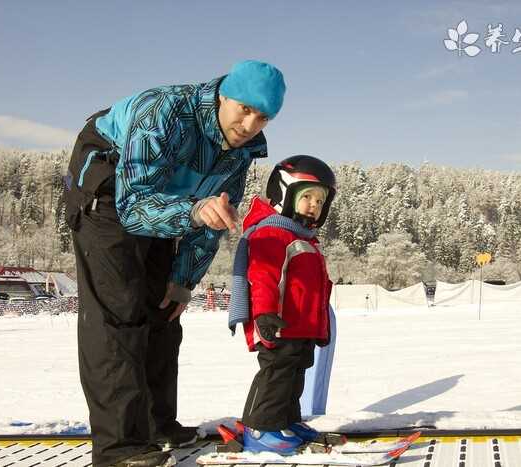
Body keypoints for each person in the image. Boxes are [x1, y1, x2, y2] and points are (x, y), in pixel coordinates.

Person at [64, 60, 286, 467]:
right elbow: (134, 209)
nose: (251, 124)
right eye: (244, 110)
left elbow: (215, 218)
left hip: (170, 203)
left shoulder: (240, 153)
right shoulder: (162, 111)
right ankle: (119, 448)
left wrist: (183, 280)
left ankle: (156, 424)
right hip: (110, 191)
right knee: (120, 313)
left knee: (163, 308)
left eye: (263, 117)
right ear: (224, 96)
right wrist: (196, 210)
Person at [228, 155, 337, 454]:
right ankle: (260, 428)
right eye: (307, 197)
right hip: (277, 324)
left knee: (294, 375)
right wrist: (263, 313)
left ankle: (286, 420)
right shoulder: (272, 233)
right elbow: (262, 277)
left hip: (299, 327)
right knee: (276, 375)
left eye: (320, 200)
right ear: (283, 194)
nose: (314, 205)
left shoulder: (305, 239)